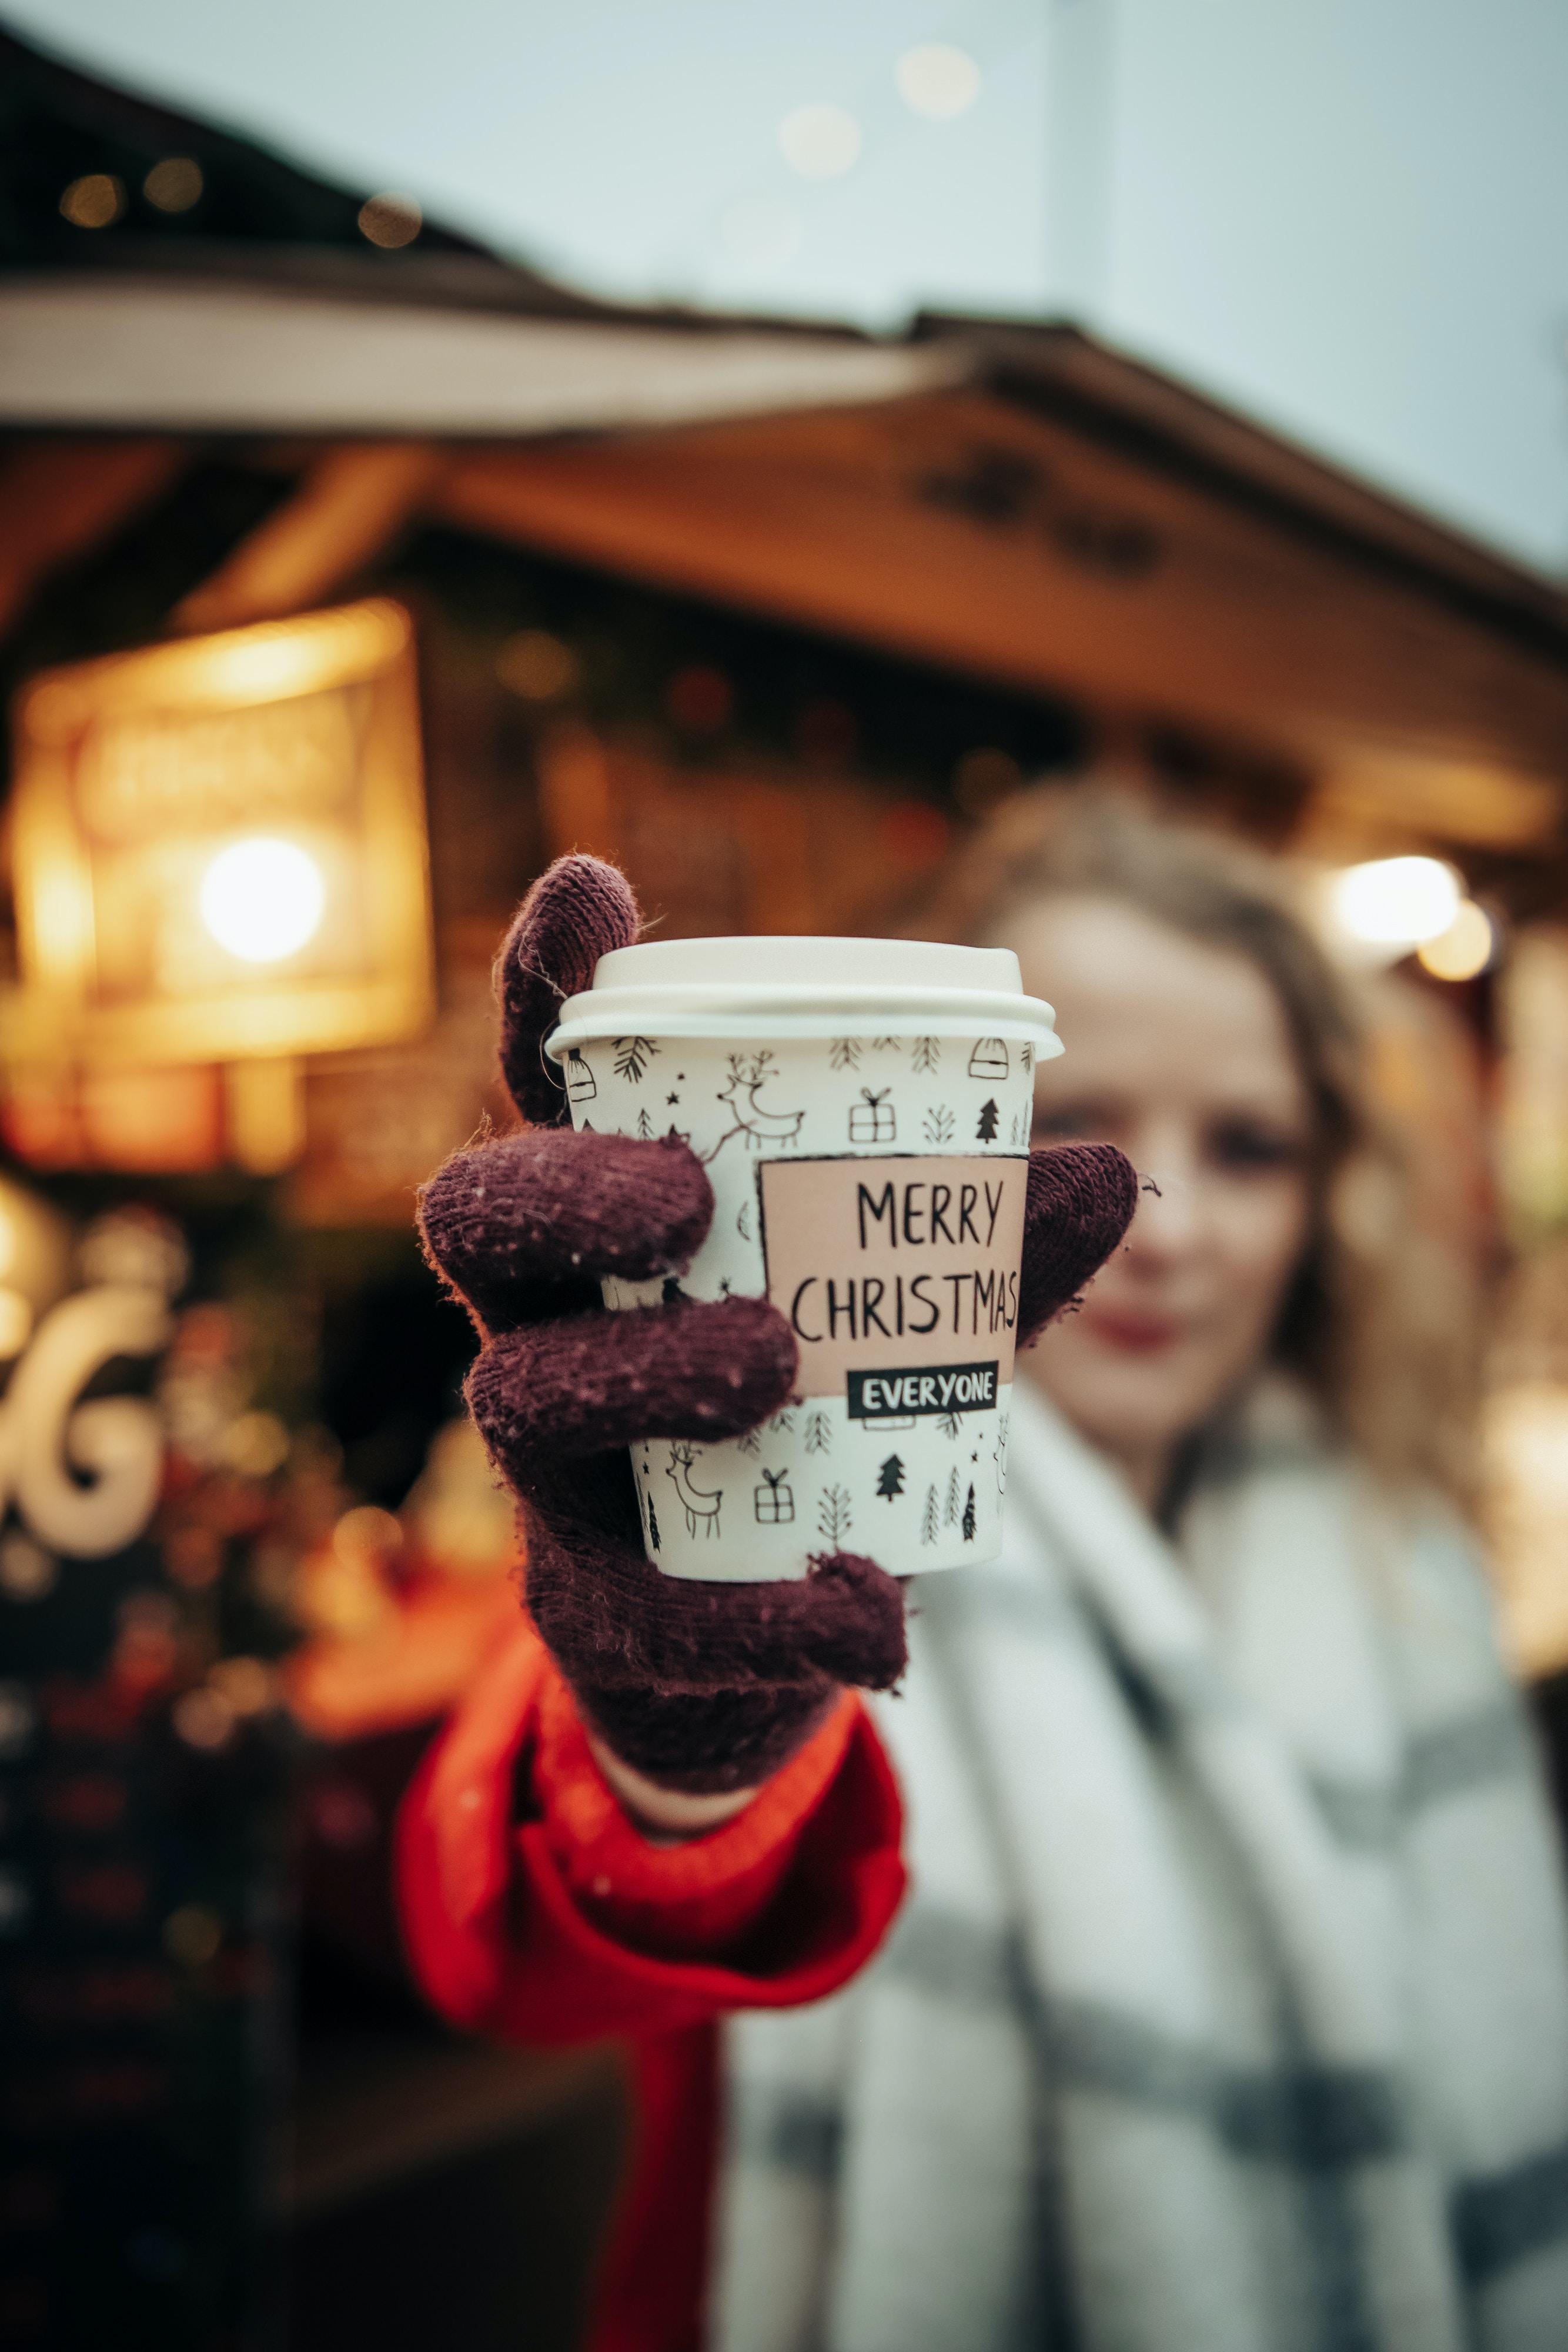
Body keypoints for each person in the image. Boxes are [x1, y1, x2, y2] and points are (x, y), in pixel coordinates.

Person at [400, 796, 1568, 2352]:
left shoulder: (1403, 1552)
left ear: (1323, 1195)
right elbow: (503, 1961)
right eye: (1074, 1118)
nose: (1166, 1221)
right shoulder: (724, 1511)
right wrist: (677, 1754)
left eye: (1249, 1145)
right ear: (907, 1131)